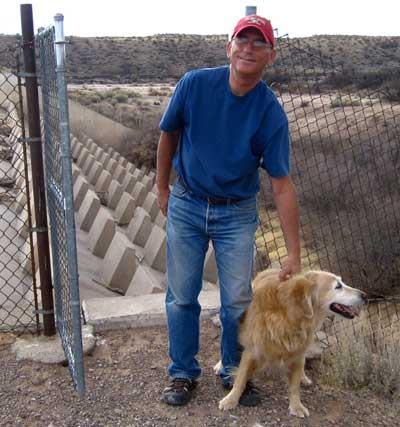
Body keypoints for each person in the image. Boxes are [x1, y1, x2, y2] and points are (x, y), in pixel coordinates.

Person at [156, 14, 301, 407]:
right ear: (229, 47)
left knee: (237, 300)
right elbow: (168, 133)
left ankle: (233, 372)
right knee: (182, 296)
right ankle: (182, 373)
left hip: (235, 212)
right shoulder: (195, 84)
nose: (248, 48)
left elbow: (282, 184)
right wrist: (162, 187)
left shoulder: (270, 113)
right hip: (187, 203)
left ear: (270, 56)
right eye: (242, 40)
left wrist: (293, 252)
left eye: (258, 43)